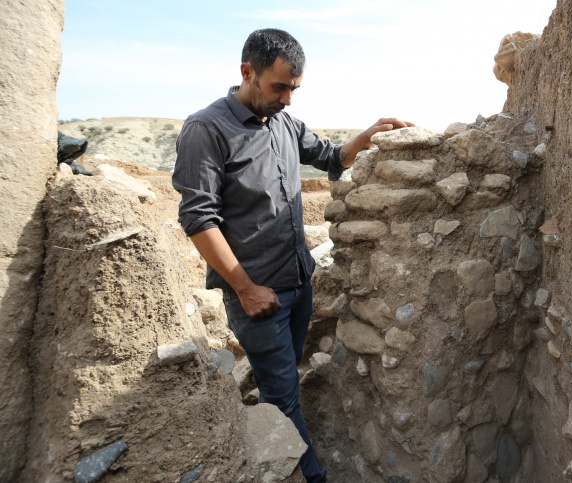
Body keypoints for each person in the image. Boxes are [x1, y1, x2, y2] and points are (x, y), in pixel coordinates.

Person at [172, 28, 413, 482]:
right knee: (282, 396)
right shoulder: (206, 129)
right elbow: (199, 219)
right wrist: (243, 289)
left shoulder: (283, 123)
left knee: (284, 385)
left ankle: (274, 448)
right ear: (248, 72)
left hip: (299, 284)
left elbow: (331, 157)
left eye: (294, 88)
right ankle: (310, 476)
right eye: (279, 86)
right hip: (258, 296)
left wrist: (370, 134)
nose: (287, 98)